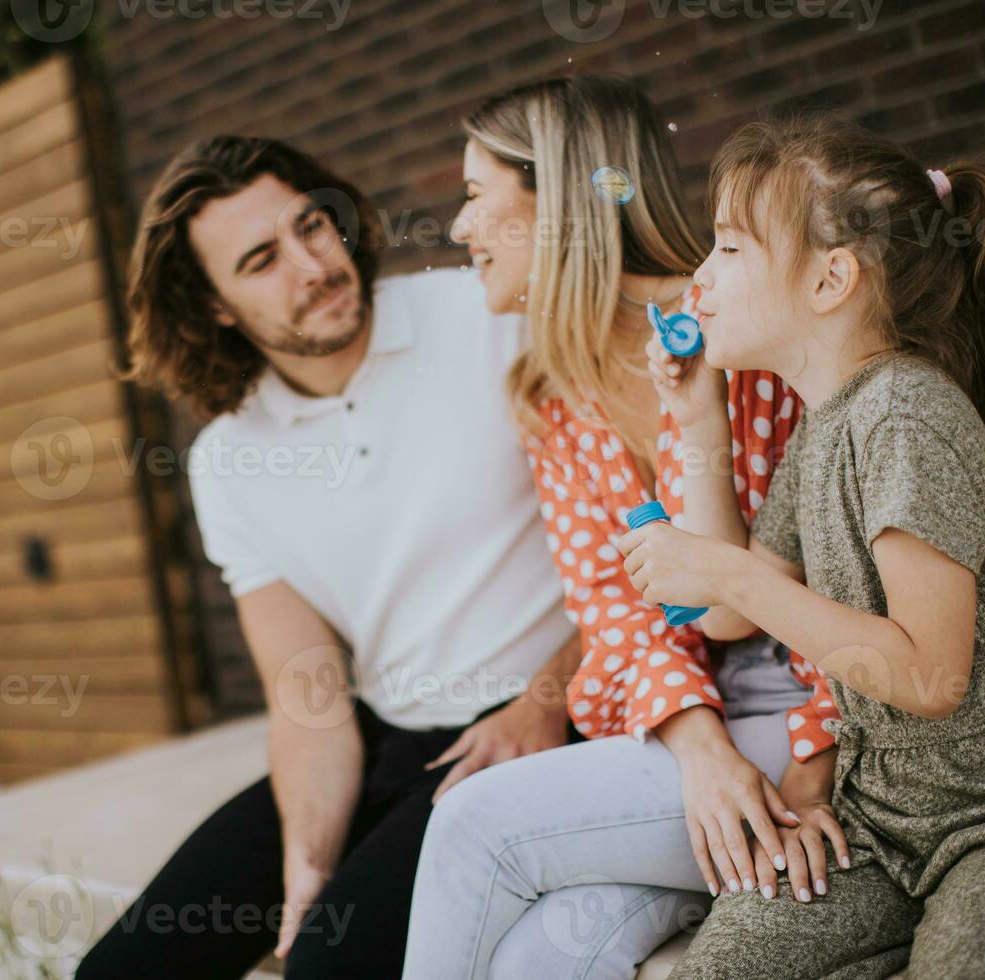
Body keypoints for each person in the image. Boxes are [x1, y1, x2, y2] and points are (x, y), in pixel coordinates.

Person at [620, 114, 985, 978]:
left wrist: (725, 567)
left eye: (730, 250)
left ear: (831, 280)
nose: (699, 277)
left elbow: (930, 674)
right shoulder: (824, 430)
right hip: (879, 821)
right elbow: (731, 617)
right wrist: (698, 415)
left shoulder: (906, 413)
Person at [74, 135, 582, 980]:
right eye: (263, 259)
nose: (311, 265)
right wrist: (307, 862)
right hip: (391, 734)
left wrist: (548, 699)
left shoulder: (494, 320)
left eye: (312, 226)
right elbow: (306, 697)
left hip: (545, 717)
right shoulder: (229, 460)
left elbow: (647, 547)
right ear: (215, 309)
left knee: (330, 969)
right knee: (123, 971)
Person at [401, 76, 845, 980]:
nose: (459, 228)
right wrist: (701, 752)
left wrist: (812, 753)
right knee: (539, 951)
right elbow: (615, 611)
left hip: (828, 714)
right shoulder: (550, 397)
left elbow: (857, 572)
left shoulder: (742, 321)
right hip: (700, 725)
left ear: (558, 199)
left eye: (477, 195)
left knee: (473, 826)